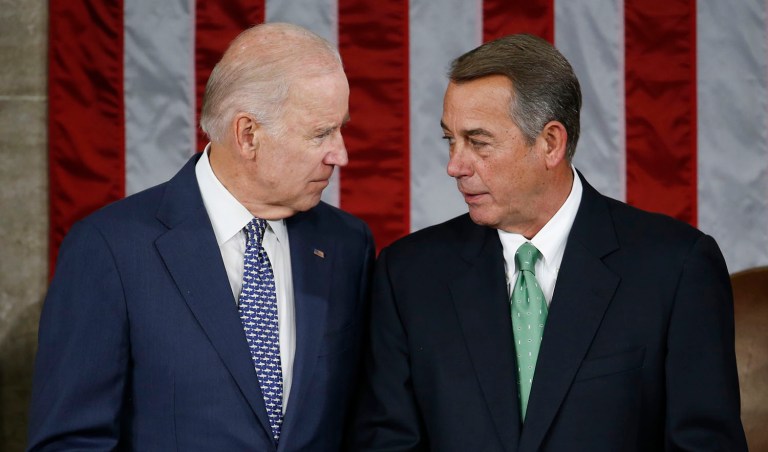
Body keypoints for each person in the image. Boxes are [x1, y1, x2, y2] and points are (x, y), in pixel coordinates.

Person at [352, 34, 747, 451]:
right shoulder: (408, 275)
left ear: (551, 143)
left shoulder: (675, 267)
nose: (455, 165)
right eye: (451, 140)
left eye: (478, 142)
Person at [28, 22, 374, 451]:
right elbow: (70, 442)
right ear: (248, 135)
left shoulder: (347, 244)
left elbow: (362, 422)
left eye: (340, 128)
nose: (340, 153)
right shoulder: (110, 249)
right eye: (321, 133)